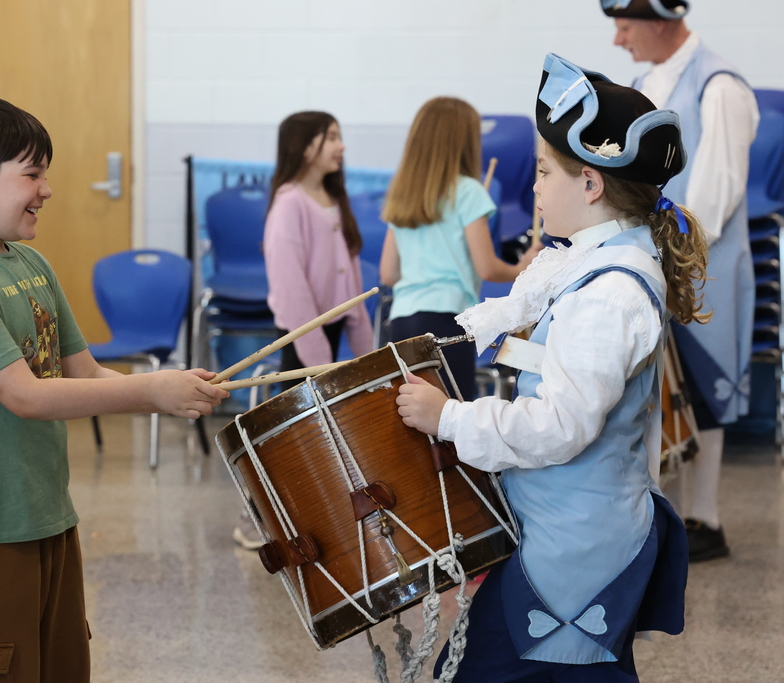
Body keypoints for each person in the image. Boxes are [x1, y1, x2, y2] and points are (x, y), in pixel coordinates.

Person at [396, 54, 703, 681]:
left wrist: (451, 417)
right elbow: (559, 377)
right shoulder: (587, 270)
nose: (531, 188)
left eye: (541, 172)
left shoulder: (607, 294)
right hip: (562, 532)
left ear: (591, 185)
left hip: (576, 549)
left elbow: (563, 426)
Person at [0, 96, 228, 683]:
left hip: (47, 513)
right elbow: (26, 396)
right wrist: (152, 392)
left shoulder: (31, 264)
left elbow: (86, 374)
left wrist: (174, 388)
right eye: (33, 173)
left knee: (61, 667)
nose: (47, 190)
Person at [603, 0, 759, 562]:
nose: (619, 39)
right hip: (653, 256)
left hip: (700, 265)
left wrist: (660, 253)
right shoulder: (642, 83)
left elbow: (715, 198)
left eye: (625, 26)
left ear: (661, 19)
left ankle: (704, 518)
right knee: (653, 387)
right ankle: (656, 513)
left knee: (702, 386)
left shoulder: (719, 86)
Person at [232, 111, 374, 550]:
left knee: (318, 437)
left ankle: (308, 517)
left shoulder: (333, 198)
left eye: (339, 136)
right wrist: (320, 365)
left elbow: (350, 281)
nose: (340, 146)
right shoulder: (290, 202)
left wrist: (366, 356)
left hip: (329, 338)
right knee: (288, 441)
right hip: (302, 340)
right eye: (330, 137)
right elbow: (294, 294)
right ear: (303, 146)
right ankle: (259, 519)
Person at [379, 97, 542, 400]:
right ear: (464, 141)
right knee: (451, 420)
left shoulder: (403, 194)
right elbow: (487, 268)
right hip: (447, 323)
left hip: (402, 323)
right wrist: (522, 266)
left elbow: (388, 273)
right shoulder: (468, 192)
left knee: (413, 425)